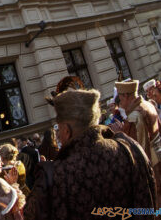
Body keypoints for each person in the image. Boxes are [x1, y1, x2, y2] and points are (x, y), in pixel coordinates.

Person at [24, 88, 157, 220]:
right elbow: (149, 205)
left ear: (66, 130)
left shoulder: (55, 176)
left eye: (59, 128)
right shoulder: (130, 149)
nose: (58, 135)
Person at [114, 79, 161, 206]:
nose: (120, 102)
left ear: (126, 95)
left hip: (153, 166)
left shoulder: (134, 116)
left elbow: (137, 148)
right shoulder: (148, 104)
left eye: (121, 98)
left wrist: (119, 134)